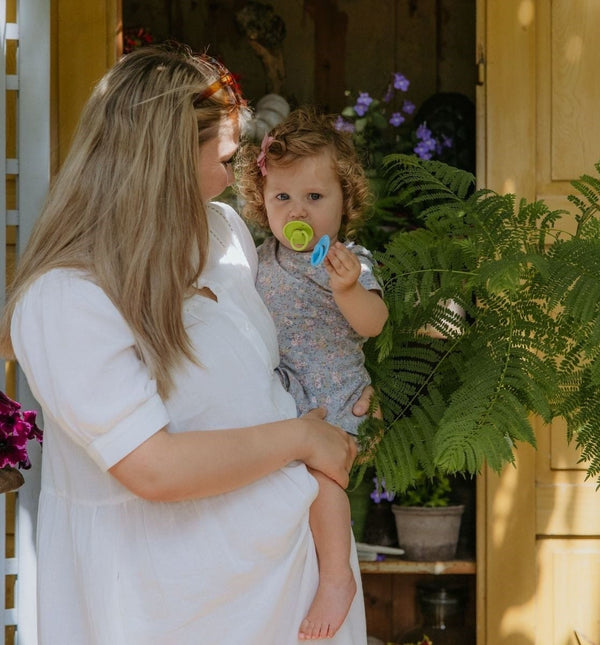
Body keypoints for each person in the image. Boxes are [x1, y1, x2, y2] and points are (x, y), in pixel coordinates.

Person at [0, 46, 372, 644]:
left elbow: (260, 375)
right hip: (174, 602)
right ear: (165, 159)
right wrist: (304, 437)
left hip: (288, 573)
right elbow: (152, 468)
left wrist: (338, 391)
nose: (232, 178)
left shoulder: (222, 233)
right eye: (223, 158)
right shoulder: (66, 296)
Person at [235, 107, 389, 640]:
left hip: (332, 395)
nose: (298, 209)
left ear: (345, 203)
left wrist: (348, 290)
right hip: (282, 398)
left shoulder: (349, 262)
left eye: (315, 198)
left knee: (324, 483)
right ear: (262, 203)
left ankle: (337, 577)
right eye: (283, 198)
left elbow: (373, 324)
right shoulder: (259, 258)